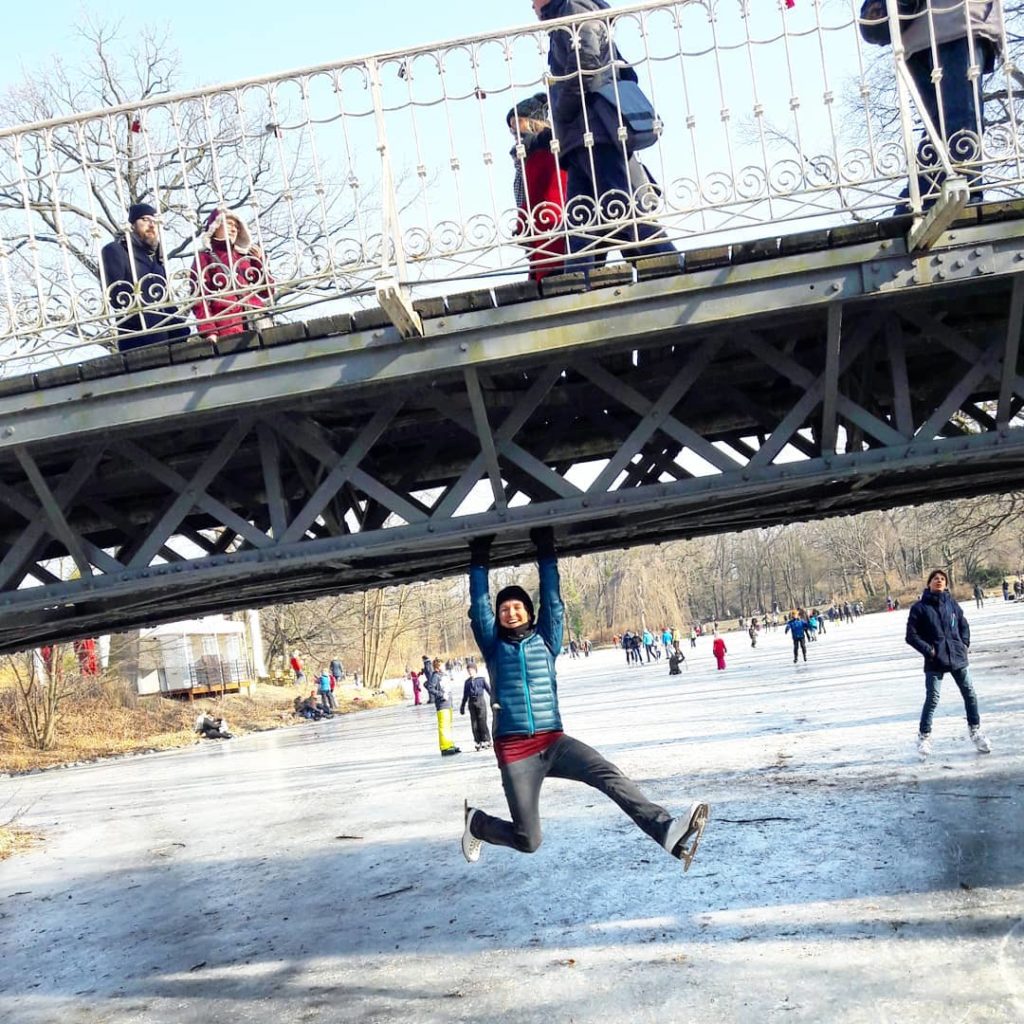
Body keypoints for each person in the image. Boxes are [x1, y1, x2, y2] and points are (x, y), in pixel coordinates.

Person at [462, 527, 709, 869]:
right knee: (528, 840)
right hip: (515, 749)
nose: (510, 612)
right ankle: (477, 823)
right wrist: (479, 558)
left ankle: (664, 829)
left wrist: (545, 547)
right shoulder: (493, 646)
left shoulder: (546, 640)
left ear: (529, 613)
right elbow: (479, 605)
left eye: (517, 606)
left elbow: (552, 599)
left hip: (554, 739)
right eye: (504, 608)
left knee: (608, 774)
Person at [535, 0, 676, 274]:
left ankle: (672, 268)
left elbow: (586, 63)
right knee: (582, 219)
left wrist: (562, 110)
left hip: (595, 131)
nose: (531, 5)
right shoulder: (565, 14)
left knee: (624, 208)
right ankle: (576, 284)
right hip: (583, 134)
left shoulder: (574, 8)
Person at [863, 0, 1003, 210]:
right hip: (932, 28)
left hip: (943, 25)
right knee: (947, 124)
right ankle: (940, 193)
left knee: (952, 122)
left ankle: (940, 194)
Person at [905, 569, 991, 756]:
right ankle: (924, 736)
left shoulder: (952, 604)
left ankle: (975, 731)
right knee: (933, 698)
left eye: (942, 579)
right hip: (935, 660)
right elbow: (911, 636)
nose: (939, 581)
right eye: (935, 579)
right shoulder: (919, 608)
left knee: (970, 693)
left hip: (958, 657)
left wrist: (964, 644)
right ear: (929, 583)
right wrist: (930, 650)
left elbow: (963, 625)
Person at [100, 203, 190, 351]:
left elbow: (165, 299)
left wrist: (180, 328)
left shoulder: (156, 257)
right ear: (132, 225)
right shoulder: (115, 250)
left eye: (154, 221)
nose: (151, 225)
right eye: (144, 219)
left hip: (169, 339)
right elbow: (118, 298)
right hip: (138, 339)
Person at [190, 208, 273, 341]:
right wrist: (209, 331)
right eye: (228, 224)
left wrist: (259, 261)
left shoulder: (245, 257)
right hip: (228, 327)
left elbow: (268, 291)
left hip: (258, 323)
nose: (234, 229)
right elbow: (199, 298)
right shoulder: (204, 257)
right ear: (215, 227)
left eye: (236, 226)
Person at [425, 658, 461, 757]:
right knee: (443, 726)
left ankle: (449, 744)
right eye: (441, 665)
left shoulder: (443, 675)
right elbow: (430, 687)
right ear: (437, 667)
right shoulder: (435, 676)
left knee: (448, 725)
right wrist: (441, 695)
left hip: (448, 703)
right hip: (441, 704)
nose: (443, 666)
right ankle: (444, 747)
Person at [460, 661, 493, 751]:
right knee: (474, 724)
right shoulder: (467, 682)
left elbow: (489, 690)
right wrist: (462, 706)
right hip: (472, 703)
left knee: (482, 721)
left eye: (471, 670)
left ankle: (487, 740)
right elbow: (465, 695)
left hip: (480, 701)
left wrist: (495, 699)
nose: (470, 672)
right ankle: (478, 741)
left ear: (475, 670)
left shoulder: (481, 680)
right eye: (468, 670)